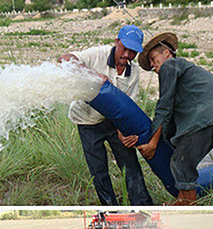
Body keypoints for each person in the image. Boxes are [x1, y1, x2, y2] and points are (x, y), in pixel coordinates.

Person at [59, 24, 154, 206]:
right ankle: (110, 207)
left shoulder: (133, 72)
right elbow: (65, 58)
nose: (127, 55)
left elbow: (127, 105)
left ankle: (142, 204)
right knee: (98, 169)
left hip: (112, 122)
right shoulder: (98, 54)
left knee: (130, 164)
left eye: (132, 52)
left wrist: (122, 132)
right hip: (87, 121)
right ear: (117, 42)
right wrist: (92, 74)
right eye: (124, 48)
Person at [135, 33, 213, 205]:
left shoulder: (170, 66)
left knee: (181, 162)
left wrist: (153, 143)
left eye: (154, 59)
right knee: (184, 159)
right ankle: (182, 199)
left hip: (207, 116)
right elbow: (172, 119)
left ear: (167, 53)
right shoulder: (187, 69)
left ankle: (189, 203)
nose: (154, 66)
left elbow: (164, 106)